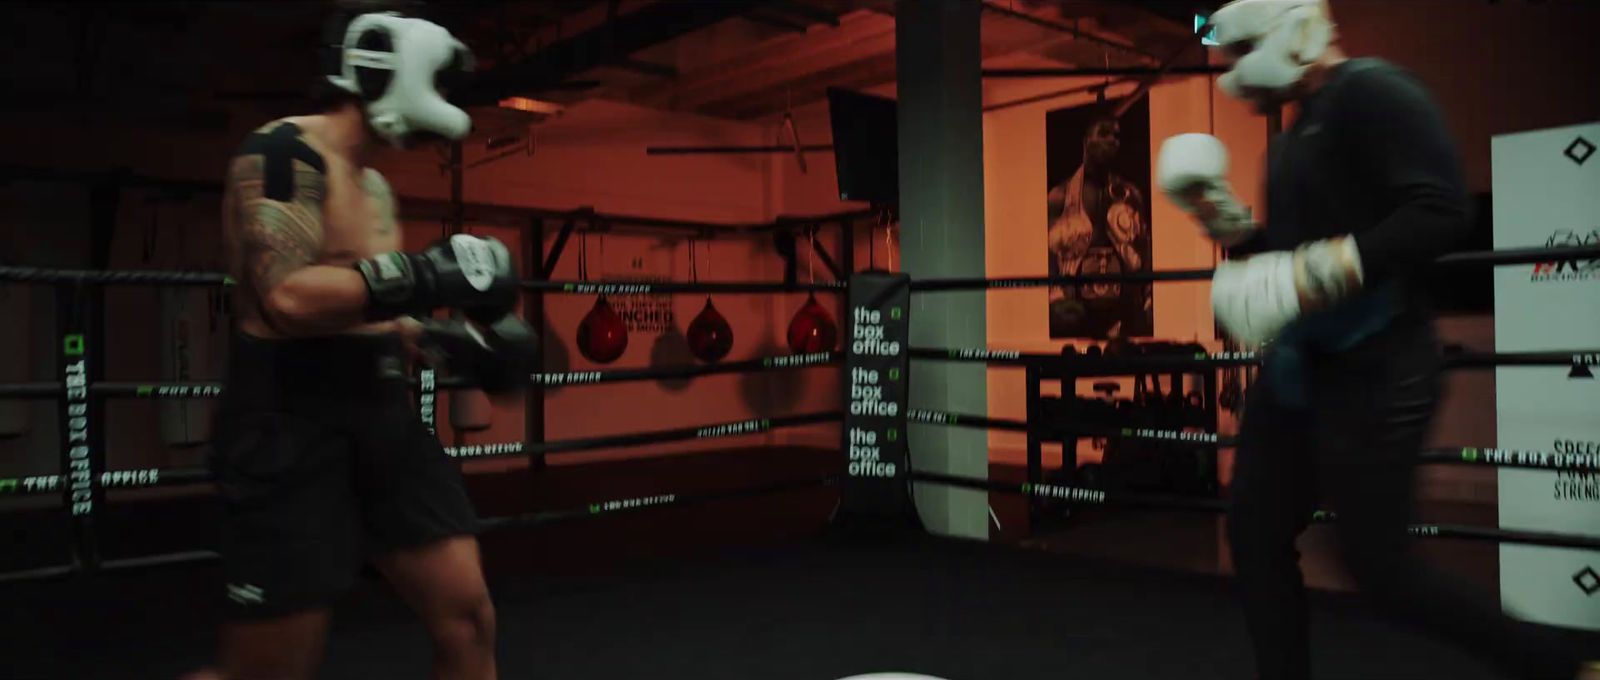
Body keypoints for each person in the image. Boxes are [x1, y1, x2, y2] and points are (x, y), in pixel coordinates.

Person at [1157, 1, 1599, 678]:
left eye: (1243, 52)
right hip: (1301, 371)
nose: (1236, 75)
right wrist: (1220, 216)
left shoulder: (1374, 92)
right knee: (1253, 531)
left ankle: (1562, 668)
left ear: (1287, 29)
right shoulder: (1289, 140)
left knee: (1384, 572)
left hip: (1380, 366)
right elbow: (1286, 256)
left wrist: (1316, 272)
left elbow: (1441, 209)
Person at [188, 10, 533, 680]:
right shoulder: (282, 154)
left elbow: (368, 302)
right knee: (266, 672)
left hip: (382, 417)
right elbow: (286, 298)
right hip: (291, 420)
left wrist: (438, 337)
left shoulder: (374, 185)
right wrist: (423, 275)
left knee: (469, 620)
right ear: (387, 68)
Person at [1047, 116, 1151, 338]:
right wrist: (1055, 298)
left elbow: (1144, 249)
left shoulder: (1130, 195)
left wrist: (1149, 297)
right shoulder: (1059, 197)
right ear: (1085, 141)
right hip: (1075, 309)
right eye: (1103, 133)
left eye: (1116, 135)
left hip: (1124, 309)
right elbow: (1047, 257)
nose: (1113, 140)